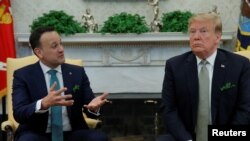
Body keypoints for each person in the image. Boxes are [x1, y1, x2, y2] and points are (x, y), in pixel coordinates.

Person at [158, 13, 250, 141]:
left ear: (217, 37)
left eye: (203, 31)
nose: (196, 37)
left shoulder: (240, 65)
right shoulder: (174, 66)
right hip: (187, 136)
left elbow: (245, 108)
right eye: (192, 32)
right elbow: (169, 108)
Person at [12, 26, 109, 141]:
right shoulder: (23, 75)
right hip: (37, 133)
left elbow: (89, 107)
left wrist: (93, 109)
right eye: (54, 46)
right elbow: (19, 113)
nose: (61, 49)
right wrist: (43, 104)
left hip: (73, 133)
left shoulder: (77, 72)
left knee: (99, 138)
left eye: (61, 44)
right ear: (39, 52)